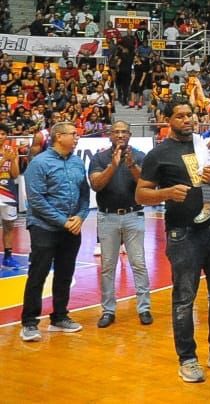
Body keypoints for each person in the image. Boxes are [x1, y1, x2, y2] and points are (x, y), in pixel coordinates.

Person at [137, 98, 210, 382]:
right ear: (167, 119)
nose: (188, 119)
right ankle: (187, 358)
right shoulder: (159, 154)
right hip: (184, 234)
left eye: (191, 115)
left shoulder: (205, 145)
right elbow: (141, 194)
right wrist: (166, 194)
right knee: (185, 299)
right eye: (181, 115)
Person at [19, 122, 90, 342]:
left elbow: (85, 195)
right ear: (59, 136)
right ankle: (29, 322)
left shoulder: (78, 162)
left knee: (65, 273)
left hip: (72, 226)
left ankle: (59, 317)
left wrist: (80, 216)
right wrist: (63, 221)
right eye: (73, 134)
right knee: (38, 273)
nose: (77, 137)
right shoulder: (39, 163)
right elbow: (36, 200)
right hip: (44, 227)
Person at [88, 121, 151, 328]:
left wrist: (131, 165)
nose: (121, 135)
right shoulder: (99, 157)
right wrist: (113, 165)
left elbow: (147, 184)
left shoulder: (140, 156)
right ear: (110, 135)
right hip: (107, 217)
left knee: (139, 263)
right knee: (107, 266)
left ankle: (144, 308)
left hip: (134, 214)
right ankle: (108, 310)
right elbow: (96, 185)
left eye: (124, 132)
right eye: (117, 132)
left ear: (130, 135)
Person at [1, 133, 21, 268]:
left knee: (9, 225)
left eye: (2, 134)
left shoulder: (11, 150)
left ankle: (8, 257)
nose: (0, 136)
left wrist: (13, 160)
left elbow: (15, 174)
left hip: (8, 191)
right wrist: (4, 160)